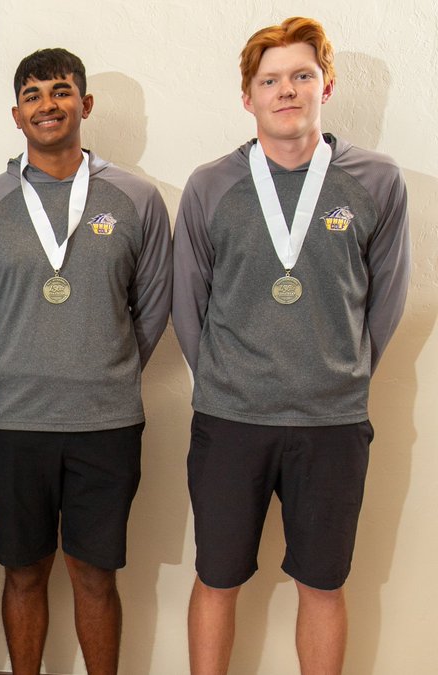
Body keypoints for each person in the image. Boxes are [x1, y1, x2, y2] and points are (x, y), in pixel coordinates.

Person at [172, 17, 410, 674]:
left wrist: (343, 373)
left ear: (325, 85)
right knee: (218, 578)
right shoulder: (210, 186)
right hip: (230, 421)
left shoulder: (378, 181)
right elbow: (187, 306)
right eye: (269, 80)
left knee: (324, 584)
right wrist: (226, 378)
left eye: (301, 76)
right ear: (246, 96)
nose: (286, 91)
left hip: (331, 422)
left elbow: (385, 301)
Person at [0, 48, 172, 674]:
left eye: (62, 90)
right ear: (16, 114)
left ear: (85, 104)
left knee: (96, 576)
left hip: (107, 422)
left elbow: (152, 311)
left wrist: (106, 366)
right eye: (34, 94)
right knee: (23, 573)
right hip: (16, 423)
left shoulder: (136, 199)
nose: (49, 103)